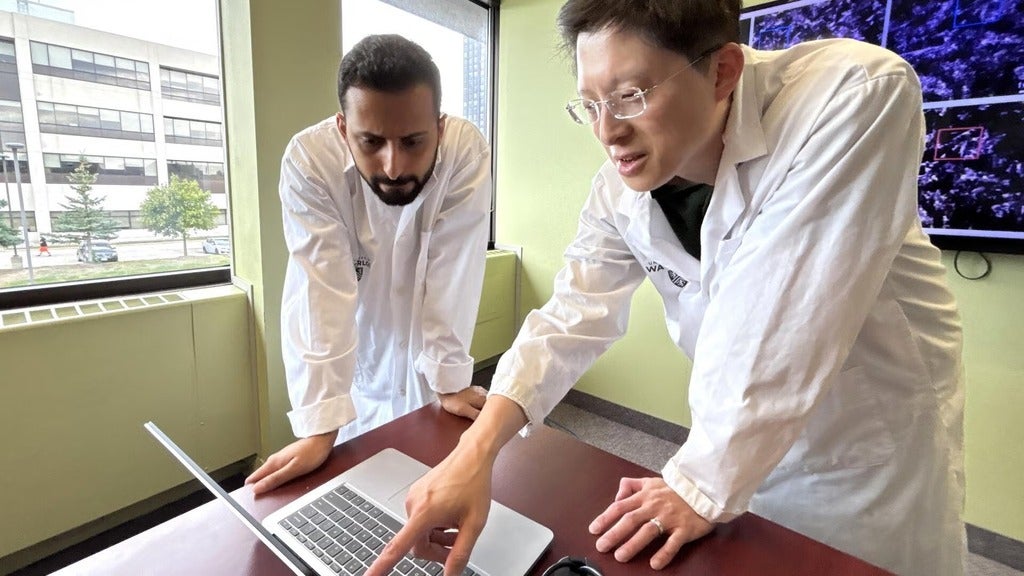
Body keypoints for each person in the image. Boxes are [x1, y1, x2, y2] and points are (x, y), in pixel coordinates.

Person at [367, 2, 966, 576]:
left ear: (722, 71)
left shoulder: (852, 94)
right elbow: (571, 315)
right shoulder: (619, 187)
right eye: (590, 104)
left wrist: (698, 482)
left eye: (630, 96)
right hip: (730, 449)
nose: (607, 132)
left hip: (864, 464)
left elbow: (778, 321)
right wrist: (474, 455)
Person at [245, 34, 492, 495]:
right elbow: (321, 291)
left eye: (413, 141)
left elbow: (453, 274)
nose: (393, 166)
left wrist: (450, 378)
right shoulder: (309, 163)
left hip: (426, 371)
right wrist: (321, 423)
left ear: (439, 127)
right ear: (343, 129)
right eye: (371, 141)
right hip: (357, 366)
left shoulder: (466, 153)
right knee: (359, 495)